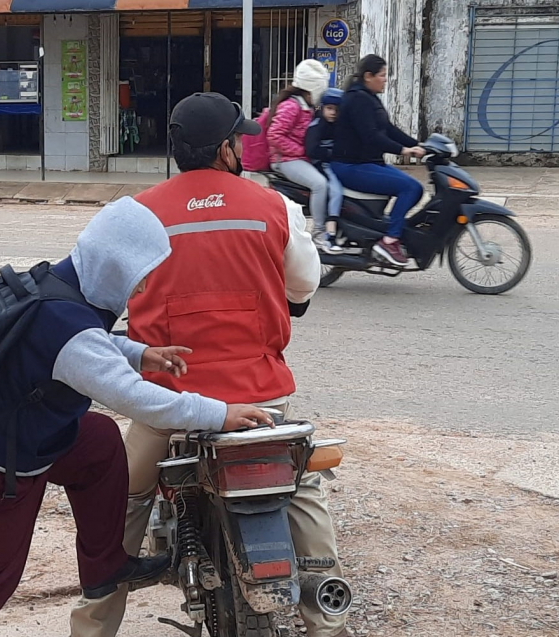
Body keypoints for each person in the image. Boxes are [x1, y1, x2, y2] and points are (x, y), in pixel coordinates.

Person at [0, 197, 273, 637]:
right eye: (139, 277)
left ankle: (106, 565)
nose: (141, 290)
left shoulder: (54, 282)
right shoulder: (67, 328)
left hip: (22, 432)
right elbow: (136, 397)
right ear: (114, 265)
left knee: (99, 440)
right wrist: (220, 413)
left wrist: (140, 352)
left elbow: (83, 344)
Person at [68, 92, 349, 637]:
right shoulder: (274, 207)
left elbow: (91, 299)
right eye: (238, 140)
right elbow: (304, 287)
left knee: (120, 504)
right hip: (259, 400)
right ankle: (328, 620)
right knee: (303, 491)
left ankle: (94, 627)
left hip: (169, 407)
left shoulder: (134, 213)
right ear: (225, 149)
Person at [331, 54, 427, 266]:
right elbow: (372, 137)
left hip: (368, 163)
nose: (385, 79)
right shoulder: (357, 100)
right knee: (410, 188)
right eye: (382, 75)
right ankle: (390, 240)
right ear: (368, 76)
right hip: (350, 166)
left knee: (414, 188)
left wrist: (421, 144)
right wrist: (405, 150)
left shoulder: (369, 98)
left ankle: (388, 231)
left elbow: (389, 130)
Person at [265, 58, 338, 254]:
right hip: (286, 160)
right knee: (320, 184)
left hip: (298, 158)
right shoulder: (292, 106)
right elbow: (274, 135)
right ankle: (319, 232)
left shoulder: (306, 106)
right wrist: (301, 151)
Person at [305, 87, 345, 252]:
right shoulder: (316, 126)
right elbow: (312, 150)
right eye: (329, 108)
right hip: (322, 165)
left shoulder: (338, 126)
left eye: (336, 110)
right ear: (322, 108)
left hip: (334, 164)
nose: (333, 113)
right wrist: (332, 153)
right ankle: (329, 235)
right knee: (336, 191)